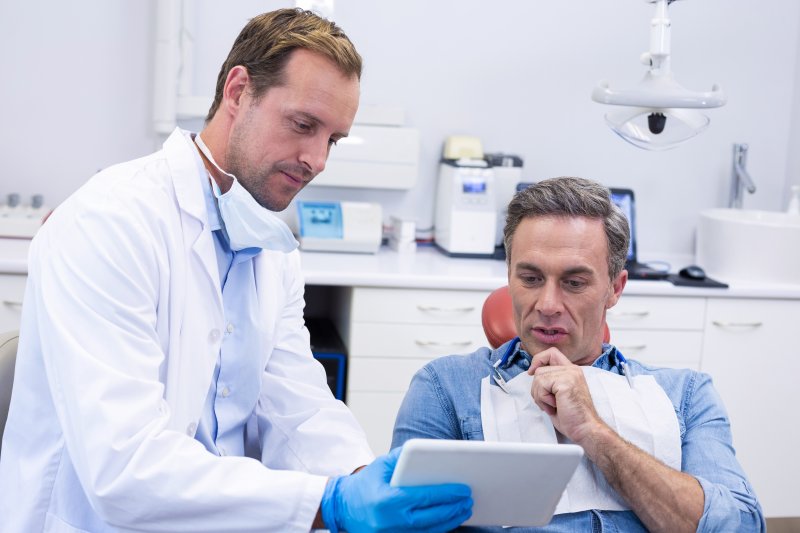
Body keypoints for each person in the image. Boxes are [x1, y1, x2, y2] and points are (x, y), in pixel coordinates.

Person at [0, 9, 472, 532]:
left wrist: (363, 478)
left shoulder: (273, 245)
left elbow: (298, 405)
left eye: (332, 140)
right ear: (238, 91)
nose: (317, 159)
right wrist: (329, 503)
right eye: (303, 125)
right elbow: (124, 471)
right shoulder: (108, 223)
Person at [392, 176, 765, 532]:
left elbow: (740, 526)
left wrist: (592, 430)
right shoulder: (447, 387)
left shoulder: (685, 394)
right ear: (509, 276)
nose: (548, 304)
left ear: (615, 288)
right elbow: (396, 518)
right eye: (531, 278)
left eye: (574, 283)